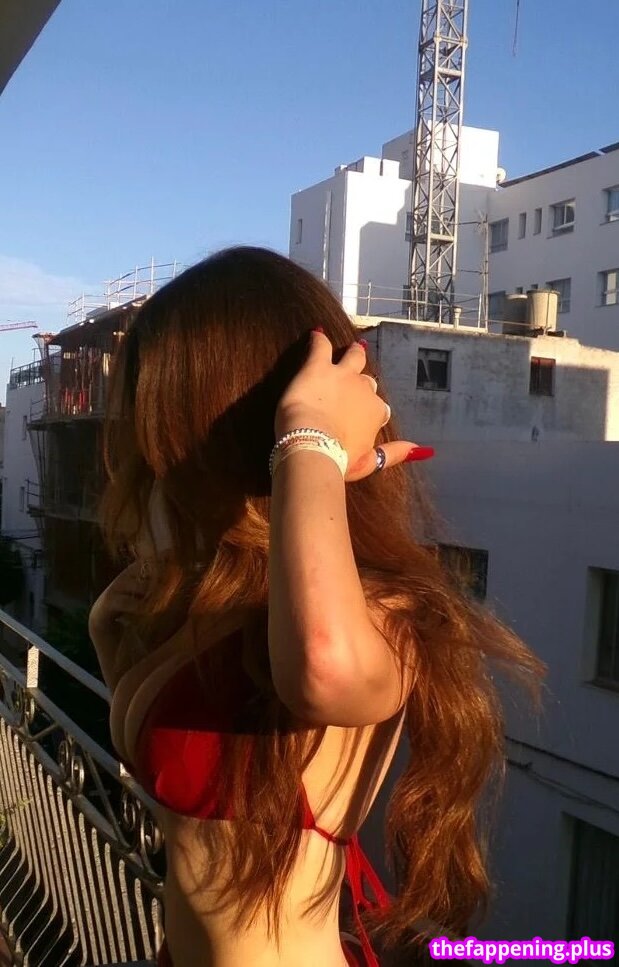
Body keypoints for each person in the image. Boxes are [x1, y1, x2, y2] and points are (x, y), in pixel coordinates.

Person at [88, 247, 545, 967]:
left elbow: (324, 669)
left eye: (159, 409)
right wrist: (109, 634)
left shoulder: (381, 611)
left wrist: (309, 435)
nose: (146, 443)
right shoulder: (230, 602)